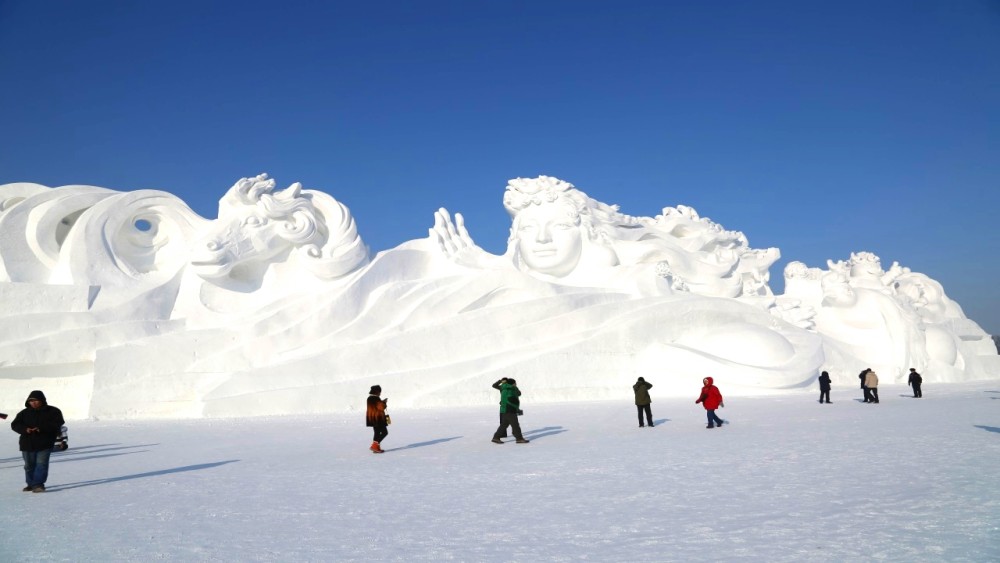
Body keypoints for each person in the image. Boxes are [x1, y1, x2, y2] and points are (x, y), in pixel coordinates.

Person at [10, 390, 64, 492]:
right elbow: (15, 425)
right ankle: (30, 484)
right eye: (31, 401)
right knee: (29, 466)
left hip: (45, 443)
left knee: (41, 464)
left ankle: (38, 484)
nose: (33, 403)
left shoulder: (53, 411)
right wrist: (25, 429)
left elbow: (57, 423)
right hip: (27, 443)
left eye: (36, 400)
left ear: (42, 400)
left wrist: (41, 428)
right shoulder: (23, 413)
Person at [492, 378, 529, 444]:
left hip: (508, 409)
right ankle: (519, 438)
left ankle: (496, 437)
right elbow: (518, 394)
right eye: (515, 383)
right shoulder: (508, 388)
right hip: (509, 409)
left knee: (504, 425)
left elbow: (519, 393)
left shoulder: (506, 388)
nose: (516, 384)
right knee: (515, 425)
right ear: (512, 383)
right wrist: (503, 382)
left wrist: (502, 382)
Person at [366, 385, 389, 453]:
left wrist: (381, 402)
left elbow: (375, 407)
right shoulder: (376, 398)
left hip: (372, 418)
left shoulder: (369, 398)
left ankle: (376, 448)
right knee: (385, 432)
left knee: (377, 433)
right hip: (378, 418)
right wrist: (384, 402)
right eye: (379, 391)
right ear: (376, 391)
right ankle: (374, 446)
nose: (380, 393)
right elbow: (381, 407)